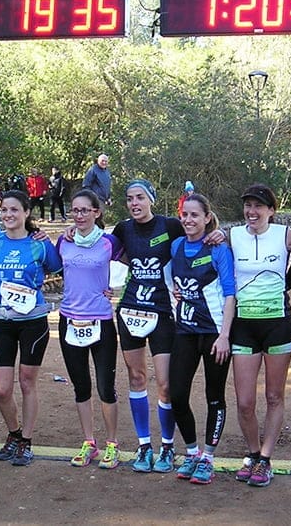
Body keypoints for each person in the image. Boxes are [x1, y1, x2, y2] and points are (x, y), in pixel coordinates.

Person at [229, 184, 291, 488]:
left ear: (271, 210)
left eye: (259, 206)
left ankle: (266, 458)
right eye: (248, 205)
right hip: (243, 325)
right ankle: (252, 453)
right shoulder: (233, 236)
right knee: (244, 401)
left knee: (274, 395)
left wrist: (282, 287)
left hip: (277, 325)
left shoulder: (286, 234)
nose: (252, 211)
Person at [111, 179, 185, 474]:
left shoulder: (170, 226)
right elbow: (99, 251)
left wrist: (216, 233)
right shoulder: (122, 229)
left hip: (163, 312)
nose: (134, 203)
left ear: (151, 199)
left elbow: (197, 239)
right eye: (130, 198)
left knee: (166, 384)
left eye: (140, 197)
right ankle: (144, 446)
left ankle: (167, 445)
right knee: (137, 377)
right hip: (130, 311)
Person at [0, 190, 62, 466]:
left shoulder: (40, 244)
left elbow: (61, 268)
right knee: (2, 389)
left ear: (26, 212)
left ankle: (27, 441)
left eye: (14, 210)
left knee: (27, 382)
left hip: (33, 322)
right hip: (1, 322)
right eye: (4, 210)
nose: (8, 215)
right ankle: (14, 434)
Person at [169, 193, 236, 486]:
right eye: (184, 214)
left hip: (214, 333)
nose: (188, 220)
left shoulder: (218, 248)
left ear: (207, 218)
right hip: (185, 330)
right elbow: (171, 276)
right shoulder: (176, 246)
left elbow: (231, 293)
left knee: (214, 396)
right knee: (177, 394)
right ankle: (192, 452)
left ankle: (208, 457)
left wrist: (224, 336)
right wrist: (175, 290)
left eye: (195, 215)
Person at [57, 189, 124, 469]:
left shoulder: (111, 242)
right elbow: (49, 262)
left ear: (97, 212)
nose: (80, 215)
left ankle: (112, 444)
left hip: (101, 321)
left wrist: (119, 290)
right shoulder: (64, 240)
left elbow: (137, 264)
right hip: (70, 320)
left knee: (105, 387)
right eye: (75, 210)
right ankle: (88, 442)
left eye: (85, 210)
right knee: (81, 386)